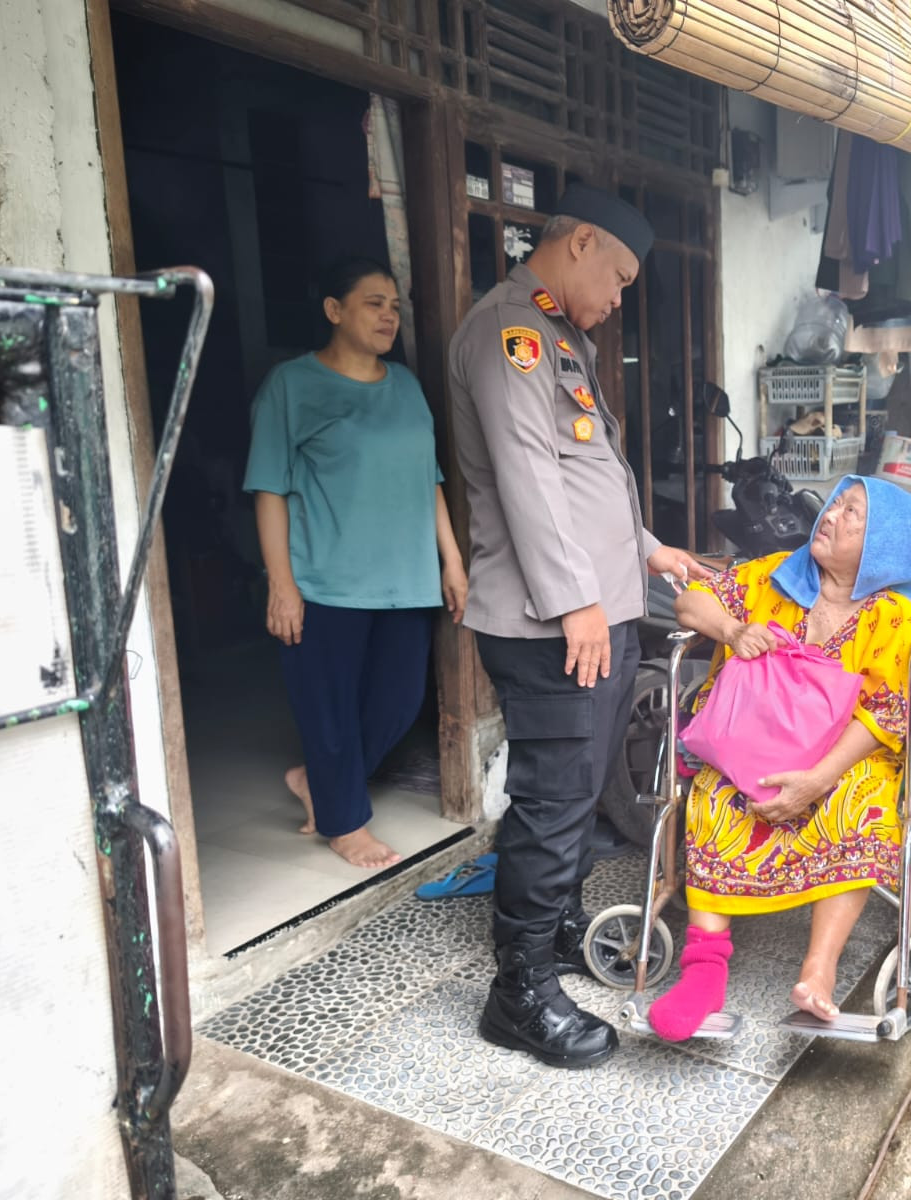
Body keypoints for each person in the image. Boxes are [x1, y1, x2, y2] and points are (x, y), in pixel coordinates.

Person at [449, 185, 705, 1069]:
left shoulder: (563, 339)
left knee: (581, 787)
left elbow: (586, 473)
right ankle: (516, 992)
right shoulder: (507, 332)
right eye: (622, 277)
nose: (622, 298)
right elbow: (527, 474)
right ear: (582, 241)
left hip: (596, 606)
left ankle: (553, 923)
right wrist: (576, 599)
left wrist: (647, 549)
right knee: (555, 799)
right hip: (550, 620)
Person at [641, 476, 911, 1041]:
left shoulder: (892, 617)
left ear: (883, 546)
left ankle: (818, 971)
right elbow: (688, 600)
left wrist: (816, 780)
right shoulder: (777, 573)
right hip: (752, 742)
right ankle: (703, 973)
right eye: (835, 505)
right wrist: (733, 629)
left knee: (864, 803)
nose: (830, 515)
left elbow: (885, 712)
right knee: (713, 793)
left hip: (843, 759)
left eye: (852, 513)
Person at [243, 256, 467, 870]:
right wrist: (281, 584)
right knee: (328, 708)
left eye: (394, 306)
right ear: (334, 311)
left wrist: (451, 561)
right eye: (374, 303)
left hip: (406, 578)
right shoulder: (292, 386)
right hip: (325, 581)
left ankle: (319, 781)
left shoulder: (406, 386)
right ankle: (345, 824)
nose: (389, 316)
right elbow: (270, 488)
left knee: (396, 703)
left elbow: (431, 480)